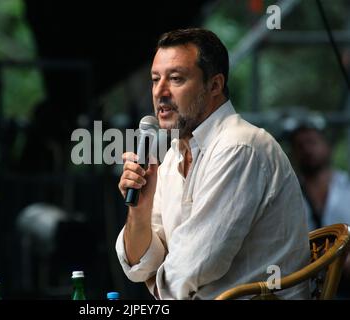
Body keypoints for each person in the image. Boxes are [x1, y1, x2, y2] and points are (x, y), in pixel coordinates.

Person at [115, 28, 310, 300]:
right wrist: (139, 209)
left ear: (215, 85)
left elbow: (196, 266)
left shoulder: (239, 147)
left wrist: (155, 282)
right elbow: (140, 265)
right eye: (155, 79)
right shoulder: (172, 157)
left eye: (175, 79)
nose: (160, 92)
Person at [289, 124, 350, 297]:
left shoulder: (347, 187)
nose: (307, 149)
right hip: (305, 284)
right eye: (300, 146)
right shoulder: (288, 193)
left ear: (327, 146)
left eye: (312, 142)